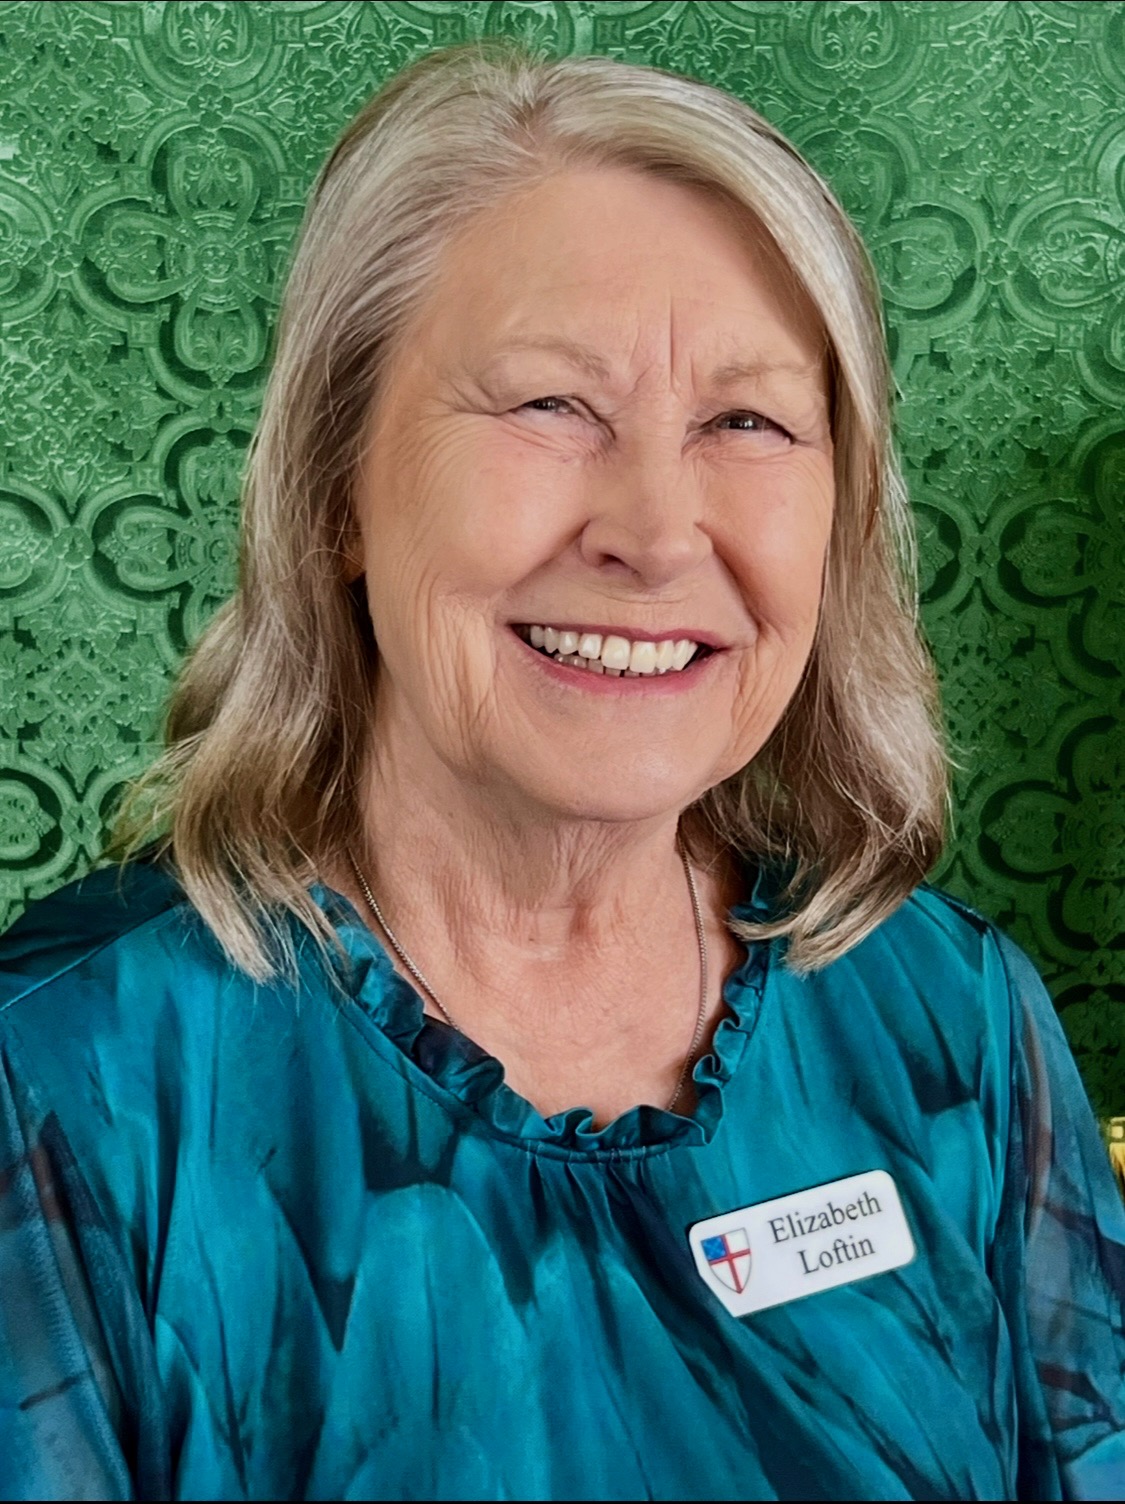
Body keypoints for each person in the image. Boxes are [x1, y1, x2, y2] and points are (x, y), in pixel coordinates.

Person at [1, 38, 1122, 1502]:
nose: (654, 533)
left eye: (746, 422)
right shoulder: (64, 1076)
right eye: (550, 407)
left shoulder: (949, 1018)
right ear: (334, 489)